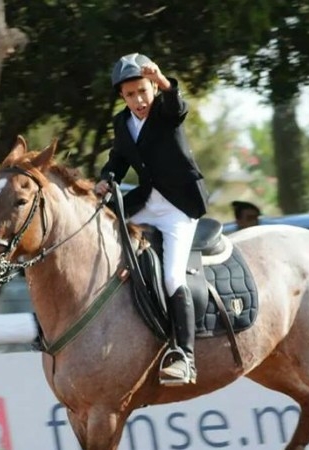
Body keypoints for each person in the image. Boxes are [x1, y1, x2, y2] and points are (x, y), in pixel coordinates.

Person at [94, 53, 209, 386]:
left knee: (173, 277)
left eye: (144, 91)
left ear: (152, 88)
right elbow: (118, 160)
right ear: (122, 96)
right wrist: (106, 179)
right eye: (131, 94)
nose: (139, 100)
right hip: (145, 202)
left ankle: (185, 356)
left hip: (178, 206)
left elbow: (178, 107)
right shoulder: (122, 123)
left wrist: (163, 82)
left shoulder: (164, 110)